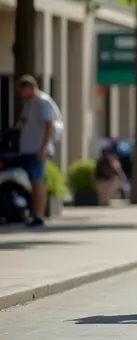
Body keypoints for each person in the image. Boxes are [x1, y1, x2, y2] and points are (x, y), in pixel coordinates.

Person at [15, 75, 64, 227]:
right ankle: (34, 213)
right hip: (29, 148)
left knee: (37, 181)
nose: (20, 94)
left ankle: (39, 215)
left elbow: (48, 125)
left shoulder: (42, 102)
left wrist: (43, 147)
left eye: (22, 90)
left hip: (37, 148)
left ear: (29, 87)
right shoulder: (30, 103)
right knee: (33, 181)